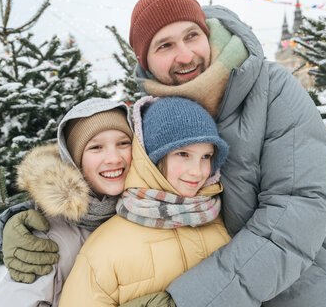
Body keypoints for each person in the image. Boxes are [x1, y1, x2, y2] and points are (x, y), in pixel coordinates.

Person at [1, 0, 326, 307]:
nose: (185, 56)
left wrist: (187, 300)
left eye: (192, 36)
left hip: (306, 291)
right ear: (144, 62)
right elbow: (114, 176)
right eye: (165, 45)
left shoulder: (272, 89)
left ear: (207, 35)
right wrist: (38, 220)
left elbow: (298, 210)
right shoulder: (153, 114)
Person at [59, 96, 231, 306]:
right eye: (183, 153)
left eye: (206, 156)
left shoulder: (222, 222)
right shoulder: (103, 249)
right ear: (152, 158)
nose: (197, 171)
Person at [0, 98, 133, 307]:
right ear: (75, 160)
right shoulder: (50, 234)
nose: (113, 158)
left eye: (123, 143)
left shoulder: (147, 212)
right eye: (96, 147)